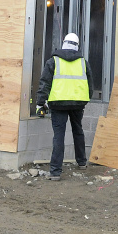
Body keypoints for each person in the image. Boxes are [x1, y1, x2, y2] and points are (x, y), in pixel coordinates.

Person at [36, 32, 93, 181]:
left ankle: (55, 171)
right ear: (77, 46)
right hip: (78, 104)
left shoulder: (53, 61)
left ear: (63, 43)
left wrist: (40, 103)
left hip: (58, 103)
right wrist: (85, 99)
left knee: (59, 136)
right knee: (78, 131)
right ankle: (81, 162)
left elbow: (45, 83)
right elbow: (90, 85)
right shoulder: (83, 62)